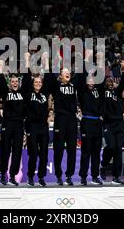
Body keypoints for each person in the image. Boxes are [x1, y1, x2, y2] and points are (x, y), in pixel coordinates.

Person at [42, 54, 79, 186]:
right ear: (60, 76)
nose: (68, 73)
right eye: (65, 72)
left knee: (72, 149)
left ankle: (69, 175)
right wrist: (50, 63)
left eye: (69, 72)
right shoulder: (56, 85)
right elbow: (48, 78)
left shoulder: (74, 85)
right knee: (58, 149)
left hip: (72, 119)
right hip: (60, 119)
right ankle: (58, 175)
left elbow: (81, 74)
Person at [0, 58, 30, 186]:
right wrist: (0, 70)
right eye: (12, 81)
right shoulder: (6, 93)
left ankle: (13, 176)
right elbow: (0, 83)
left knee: (17, 151)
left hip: (19, 124)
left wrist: (26, 64)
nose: (14, 83)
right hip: (7, 124)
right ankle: (3, 174)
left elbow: (27, 81)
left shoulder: (23, 93)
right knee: (5, 149)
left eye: (16, 81)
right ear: (10, 83)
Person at [76, 51, 104, 186]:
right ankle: (83, 177)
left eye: (93, 79)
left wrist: (99, 62)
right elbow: (81, 77)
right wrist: (86, 60)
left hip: (97, 123)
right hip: (86, 122)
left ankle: (95, 176)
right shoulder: (82, 91)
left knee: (96, 152)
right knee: (86, 151)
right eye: (89, 79)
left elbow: (101, 77)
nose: (91, 81)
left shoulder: (98, 91)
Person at [24, 52, 51, 186]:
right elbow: (27, 77)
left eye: (40, 82)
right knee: (33, 153)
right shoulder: (28, 93)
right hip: (32, 127)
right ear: (33, 83)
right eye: (36, 82)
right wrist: (27, 62)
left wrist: (46, 63)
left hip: (43, 127)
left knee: (44, 154)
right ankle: (30, 176)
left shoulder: (45, 93)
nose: (38, 83)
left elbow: (49, 79)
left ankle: (41, 177)